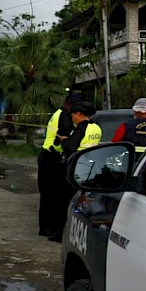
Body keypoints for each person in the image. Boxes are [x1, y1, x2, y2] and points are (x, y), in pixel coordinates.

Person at [49, 101, 102, 242]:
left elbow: (70, 147)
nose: (72, 118)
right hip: (89, 168)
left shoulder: (81, 128)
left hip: (76, 168)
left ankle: (60, 233)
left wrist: (64, 140)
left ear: (79, 114)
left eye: (73, 115)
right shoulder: (96, 127)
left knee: (64, 201)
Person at [37, 93, 80, 238]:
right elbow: (67, 139)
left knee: (48, 195)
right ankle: (51, 229)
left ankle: (46, 228)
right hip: (52, 158)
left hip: (48, 156)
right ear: (68, 105)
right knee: (54, 196)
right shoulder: (64, 116)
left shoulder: (59, 114)